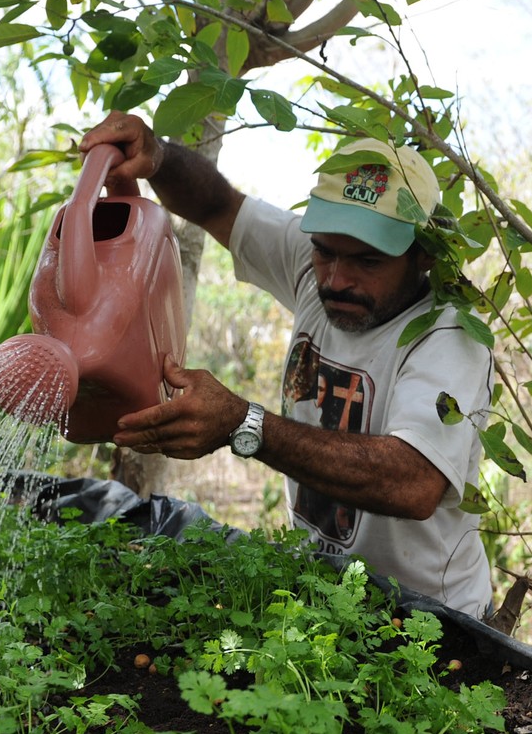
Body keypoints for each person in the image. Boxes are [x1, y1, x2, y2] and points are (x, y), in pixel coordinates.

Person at [77, 112, 494, 619]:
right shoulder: (310, 262)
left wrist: (242, 423)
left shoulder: (450, 337)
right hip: (331, 601)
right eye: (325, 252)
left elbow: (411, 482)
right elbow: (217, 204)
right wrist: (157, 157)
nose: (336, 279)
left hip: (435, 625)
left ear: (421, 257)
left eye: (368, 262)